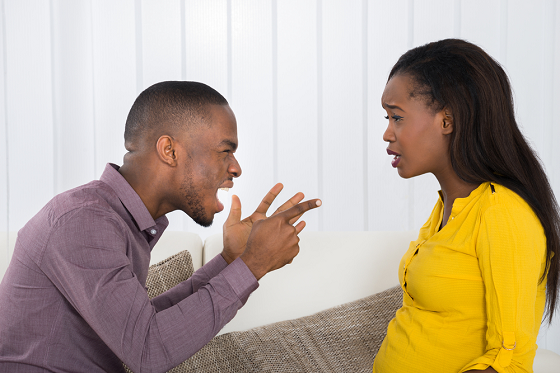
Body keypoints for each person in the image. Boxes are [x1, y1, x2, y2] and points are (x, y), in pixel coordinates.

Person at [0, 81, 321, 372]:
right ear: (170, 151)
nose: (236, 168)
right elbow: (147, 349)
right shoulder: (83, 221)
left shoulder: (115, 220)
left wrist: (231, 260)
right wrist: (254, 265)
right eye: (226, 151)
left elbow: (141, 326)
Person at [373, 39, 560, 373]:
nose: (387, 133)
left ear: (447, 120)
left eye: (397, 117)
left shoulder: (502, 213)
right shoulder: (449, 206)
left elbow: (509, 360)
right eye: (387, 118)